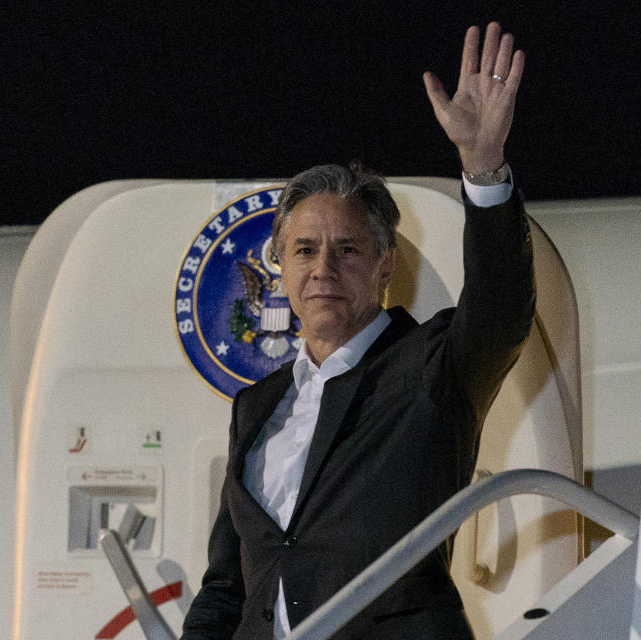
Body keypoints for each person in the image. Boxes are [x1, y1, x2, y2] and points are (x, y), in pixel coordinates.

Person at [182, 22, 534, 640]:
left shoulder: (433, 370)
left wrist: (484, 169)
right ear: (282, 266)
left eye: (346, 250)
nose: (323, 269)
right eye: (305, 250)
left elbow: (500, 312)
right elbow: (226, 588)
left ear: (384, 266)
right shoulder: (256, 407)